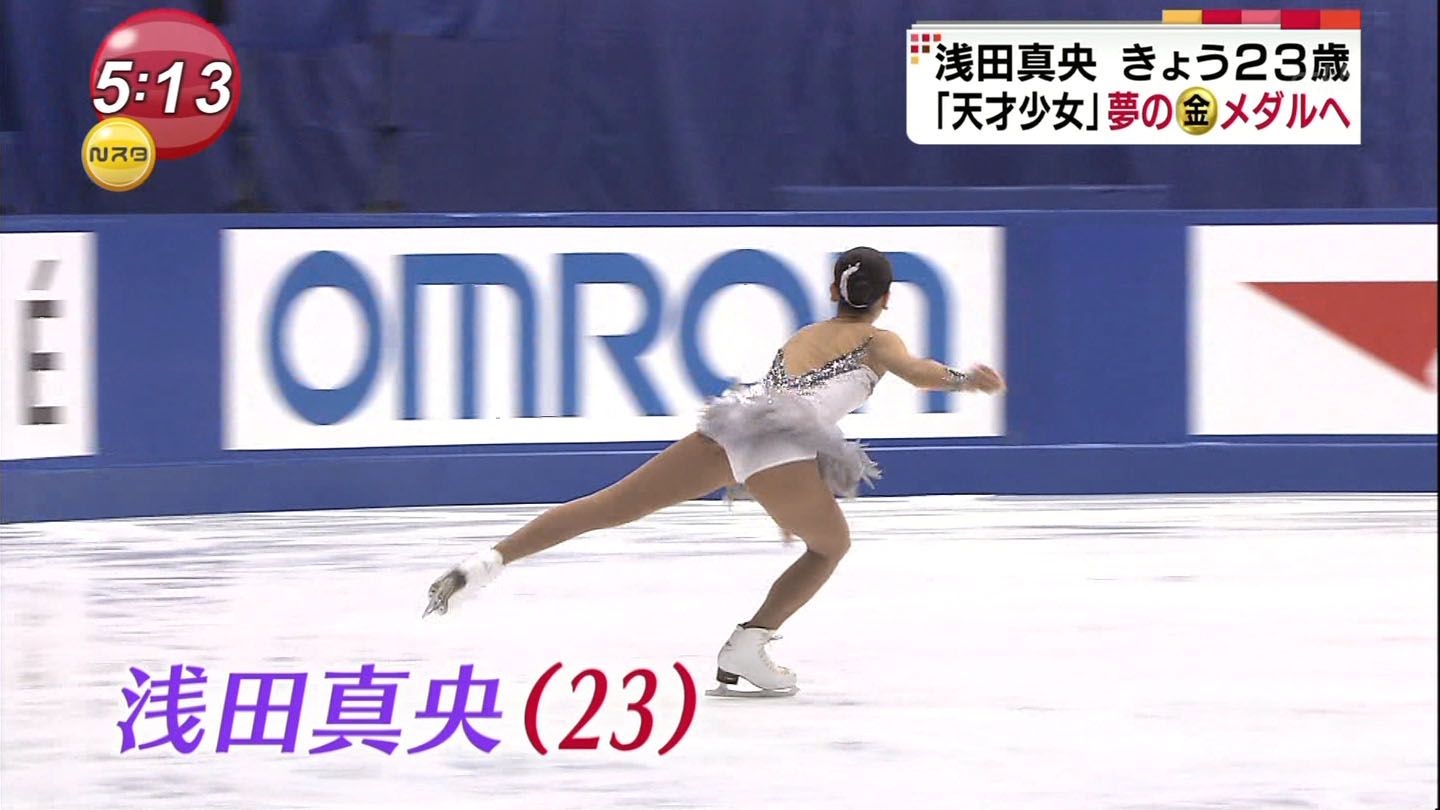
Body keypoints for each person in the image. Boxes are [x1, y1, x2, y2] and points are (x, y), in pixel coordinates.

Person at [423, 247, 1005, 696]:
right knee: (830, 547)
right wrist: (965, 380)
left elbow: (784, 404)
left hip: (737, 426)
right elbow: (916, 372)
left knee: (611, 505)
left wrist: (781, 489)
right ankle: (748, 645)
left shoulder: (804, 335)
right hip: (780, 445)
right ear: (887, 298)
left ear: (834, 290)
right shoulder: (879, 339)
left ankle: (486, 562)